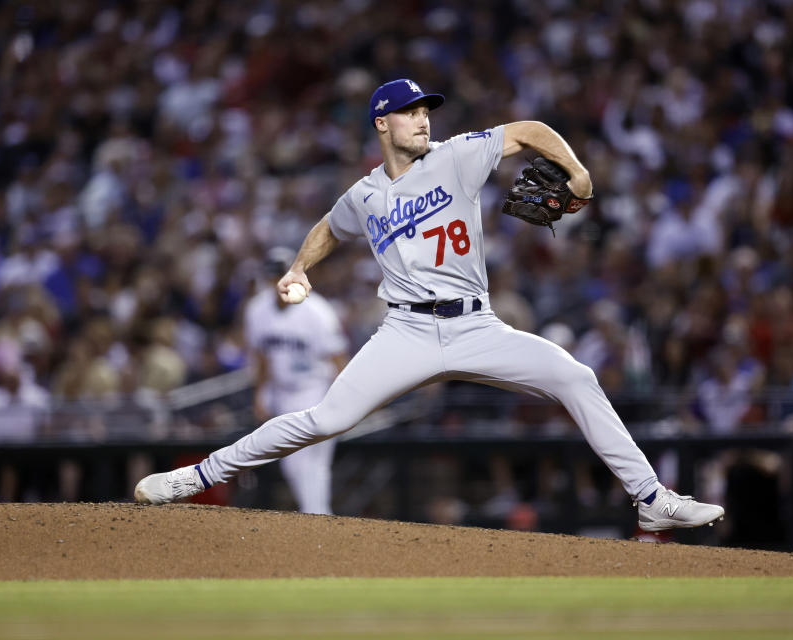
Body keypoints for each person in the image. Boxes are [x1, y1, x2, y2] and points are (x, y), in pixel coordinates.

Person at [136, 78, 725, 532]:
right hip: (406, 333)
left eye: (425, 111)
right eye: (411, 112)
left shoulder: (455, 156)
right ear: (381, 123)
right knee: (326, 421)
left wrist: (575, 169)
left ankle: (651, 501)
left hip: (477, 326)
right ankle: (199, 475)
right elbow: (328, 228)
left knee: (576, 377)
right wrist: (297, 268)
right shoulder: (364, 195)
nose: (423, 120)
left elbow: (526, 130)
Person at [242, 247, 348, 514]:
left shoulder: (318, 312)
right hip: (280, 392)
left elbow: (338, 360)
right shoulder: (257, 310)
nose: (278, 281)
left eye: (282, 274)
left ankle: (317, 517)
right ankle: (318, 518)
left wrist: (346, 400)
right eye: (273, 276)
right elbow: (262, 357)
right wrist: (260, 395)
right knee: (295, 463)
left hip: (315, 389)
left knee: (309, 461)